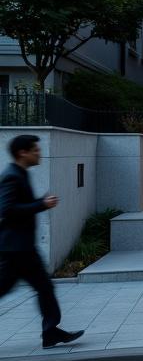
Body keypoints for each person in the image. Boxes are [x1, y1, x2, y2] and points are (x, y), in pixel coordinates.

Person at [0, 135, 85, 349]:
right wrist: (41, 205)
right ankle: (50, 332)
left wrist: (39, 202)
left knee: (44, 288)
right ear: (23, 153)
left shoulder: (19, 174)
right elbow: (7, 210)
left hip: (20, 248)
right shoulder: (12, 176)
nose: (39, 153)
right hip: (16, 249)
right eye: (35, 150)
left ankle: (51, 332)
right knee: (41, 288)